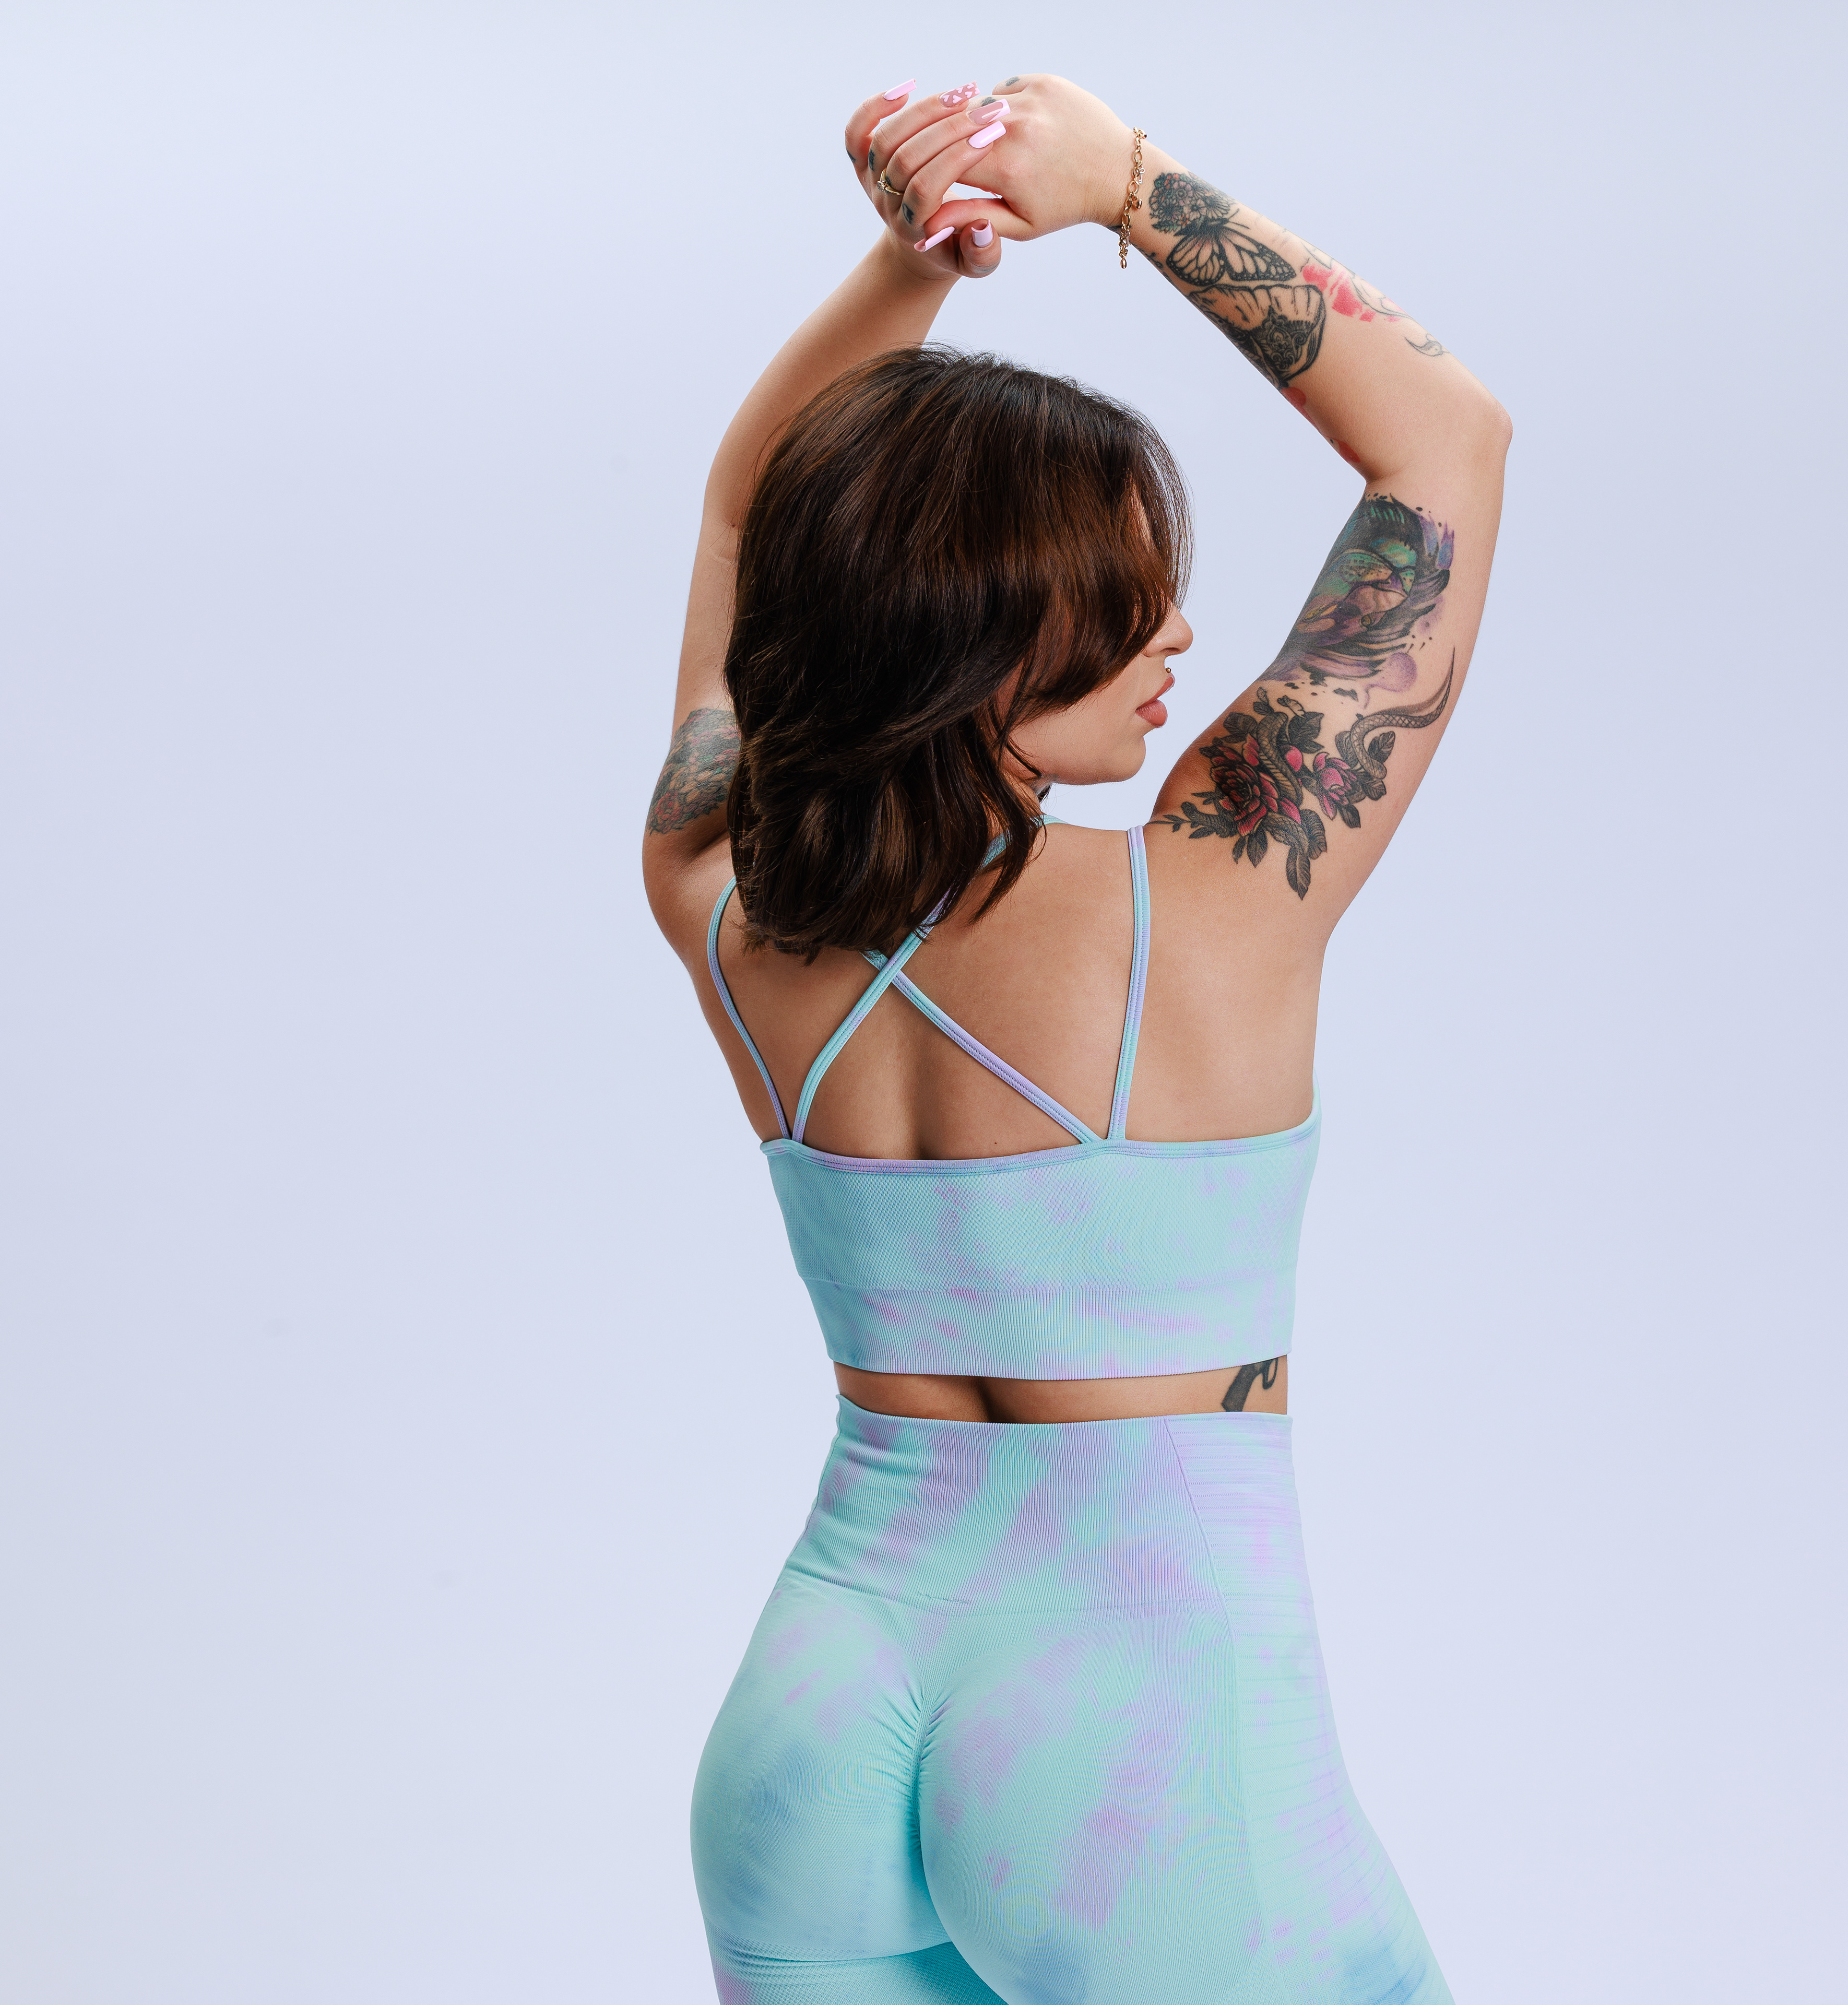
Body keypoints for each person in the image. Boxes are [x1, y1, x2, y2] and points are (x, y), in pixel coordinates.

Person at [643, 69, 1508, 2005]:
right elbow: (1446, 441)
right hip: (1138, 1739)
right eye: (1126, 599)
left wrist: (911, 264)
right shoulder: (1214, 900)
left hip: (818, 1711)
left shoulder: (720, 889)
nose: (1178, 637)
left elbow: (746, 513)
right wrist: (1124, 185)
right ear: (985, 642)